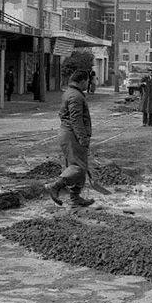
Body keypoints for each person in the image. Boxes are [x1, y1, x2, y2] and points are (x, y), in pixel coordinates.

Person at [44, 69, 94, 208]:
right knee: (79, 167)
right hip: (72, 135)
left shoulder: (70, 93)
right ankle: (55, 186)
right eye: (87, 81)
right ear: (83, 80)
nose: (88, 84)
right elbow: (76, 119)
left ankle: (75, 198)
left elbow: (63, 114)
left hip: (68, 133)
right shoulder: (76, 96)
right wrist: (82, 137)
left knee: (74, 166)